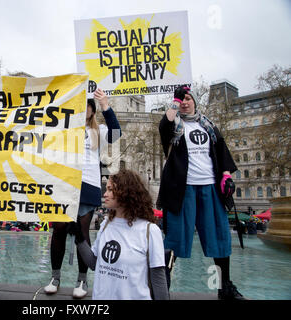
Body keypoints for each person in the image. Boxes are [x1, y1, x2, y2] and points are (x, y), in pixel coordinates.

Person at [157, 85, 245, 300]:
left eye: (188, 98)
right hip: (182, 190)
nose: (185, 102)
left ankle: (224, 287)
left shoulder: (209, 125)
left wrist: (226, 175)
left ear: (195, 102)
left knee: (219, 238)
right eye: (181, 100)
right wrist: (174, 101)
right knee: (173, 240)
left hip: (210, 188)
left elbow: (222, 150)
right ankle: (162, 289)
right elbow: (164, 124)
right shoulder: (174, 125)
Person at [44, 88, 121, 298]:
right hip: (64, 183)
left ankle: (81, 279)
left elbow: (117, 133)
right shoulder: (64, 128)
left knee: (82, 232)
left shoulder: (100, 131)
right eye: (82, 104)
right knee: (58, 229)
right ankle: (55, 276)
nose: (85, 108)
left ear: (93, 109)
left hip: (88, 184)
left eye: (89, 104)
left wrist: (105, 104)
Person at [75, 169, 169, 300]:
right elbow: (93, 263)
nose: (105, 194)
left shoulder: (150, 231)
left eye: (110, 190)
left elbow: (158, 280)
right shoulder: (105, 225)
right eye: (106, 189)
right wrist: (78, 237)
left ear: (126, 193)